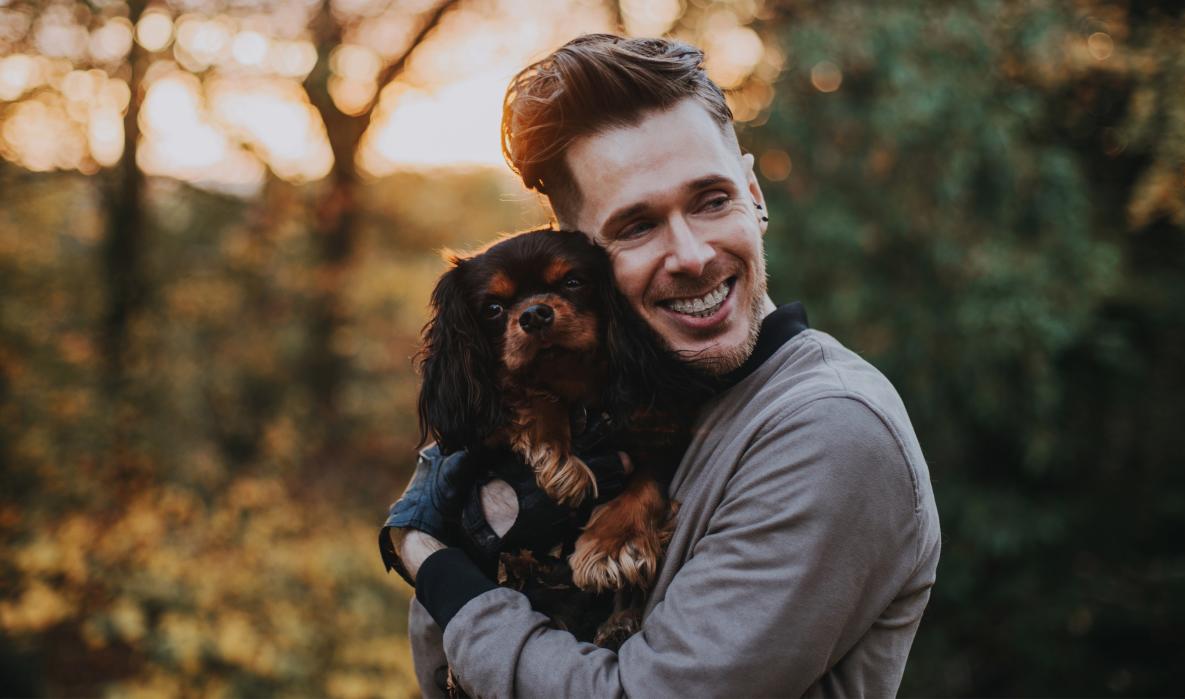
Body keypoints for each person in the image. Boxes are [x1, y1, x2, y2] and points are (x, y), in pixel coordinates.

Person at [378, 34, 940, 697]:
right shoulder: (596, 409)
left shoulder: (831, 432)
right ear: (582, 256)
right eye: (636, 226)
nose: (692, 254)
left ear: (755, 194)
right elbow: (438, 670)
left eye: (711, 200)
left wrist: (440, 570)